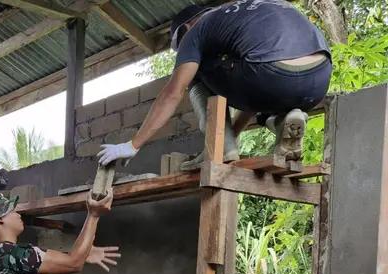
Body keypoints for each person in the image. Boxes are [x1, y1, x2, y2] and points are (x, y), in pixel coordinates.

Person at [97, 0, 332, 171]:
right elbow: (249, 99)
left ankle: (219, 146)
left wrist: (133, 144)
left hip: (269, 72)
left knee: (195, 75)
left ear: (186, 29)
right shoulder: (241, 15)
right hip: (317, 78)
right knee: (256, 78)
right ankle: (281, 121)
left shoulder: (198, 31)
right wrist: (230, 141)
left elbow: (172, 93)